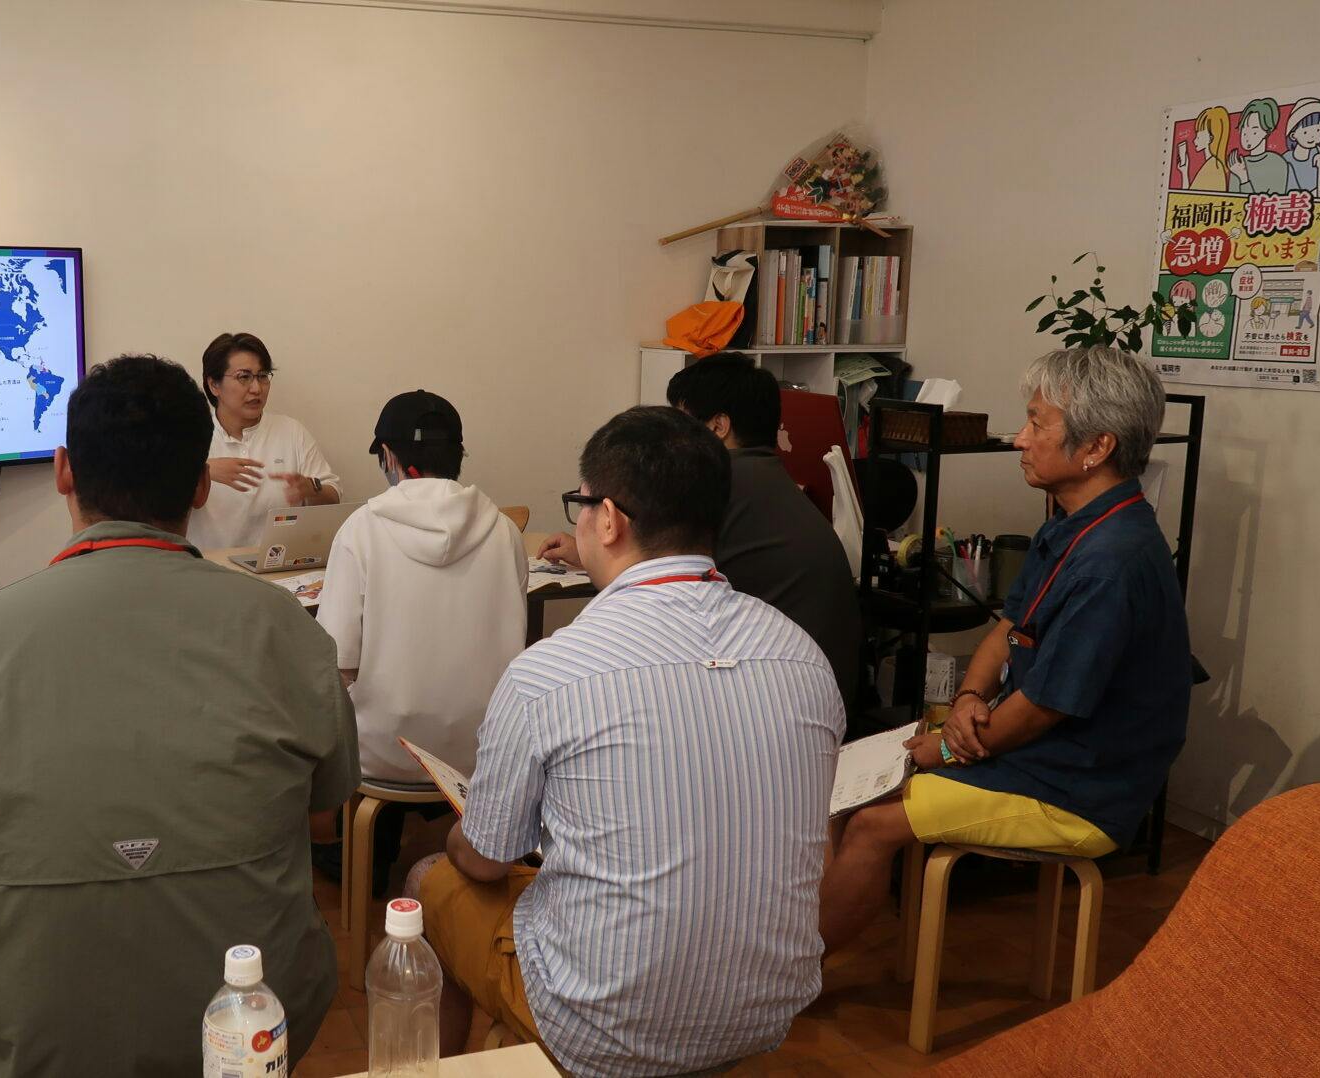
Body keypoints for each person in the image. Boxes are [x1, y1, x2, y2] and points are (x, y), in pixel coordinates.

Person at [0, 354, 358, 1077]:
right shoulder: (294, 636)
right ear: (200, 484)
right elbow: (323, 810)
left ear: (64, 470)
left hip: (21, 1043)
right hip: (255, 1030)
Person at [409, 407, 845, 1077]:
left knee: (426, 880)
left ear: (608, 519)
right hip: (767, 1011)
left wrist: (458, 835)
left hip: (600, 1027)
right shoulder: (801, 656)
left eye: (580, 504)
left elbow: (488, 861)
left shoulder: (550, 672)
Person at [820, 347, 1192, 954]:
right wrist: (970, 696)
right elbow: (1009, 627)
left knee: (869, 820)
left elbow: (1045, 706)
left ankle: (793, 980)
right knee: (843, 788)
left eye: (1037, 424)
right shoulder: (1075, 522)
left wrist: (947, 747)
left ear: (1096, 447)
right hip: (1038, 752)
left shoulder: (1112, 561)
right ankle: (796, 959)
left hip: (1080, 788)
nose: (1020, 439)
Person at [539, 356, 860, 707]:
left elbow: (657, 572)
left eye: (681, 421)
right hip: (820, 681)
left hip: (777, 689)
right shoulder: (769, 479)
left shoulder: (716, 485)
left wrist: (596, 546)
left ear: (718, 426)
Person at [311, 390, 527, 883]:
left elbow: (338, 665)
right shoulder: (504, 531)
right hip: (482, 752)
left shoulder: (361, 530)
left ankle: (366, 858)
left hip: (385, 754)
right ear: (457, 454)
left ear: (388, 455)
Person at [185, 331, 341, 550]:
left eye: (262, 376)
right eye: (244, 377)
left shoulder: (291, 431)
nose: (256, 388)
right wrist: (203, 471)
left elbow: (333, 496)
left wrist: (310, 489)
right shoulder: (190, 434)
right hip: (207, 566)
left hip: (276, 564)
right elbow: (156, 496)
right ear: (214, 385)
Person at [1228, 97, 1290, 195]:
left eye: (1254, 130)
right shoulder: (1238, 164)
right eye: (1244, 129)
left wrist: (1244, 178)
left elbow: (1272, 202)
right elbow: (1232, 201)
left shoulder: (1277, 163)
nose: (1247, 136)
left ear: (1267, 131)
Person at [1284, 98, 1320, 197]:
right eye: (1305, 132)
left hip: (1311, 201)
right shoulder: (1286, 159)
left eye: (1318, 130)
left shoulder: (1317, 153)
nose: (1312, 136)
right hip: (1296, 201)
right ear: (1293, 135)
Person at [1180, 105, 1229, 191]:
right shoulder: (1211, 164)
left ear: (1210, 138)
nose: (1194, 140)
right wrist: (1184, 171)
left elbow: (1189, 196)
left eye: (1199, 136)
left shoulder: (1214, 167)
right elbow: (1188, 195)